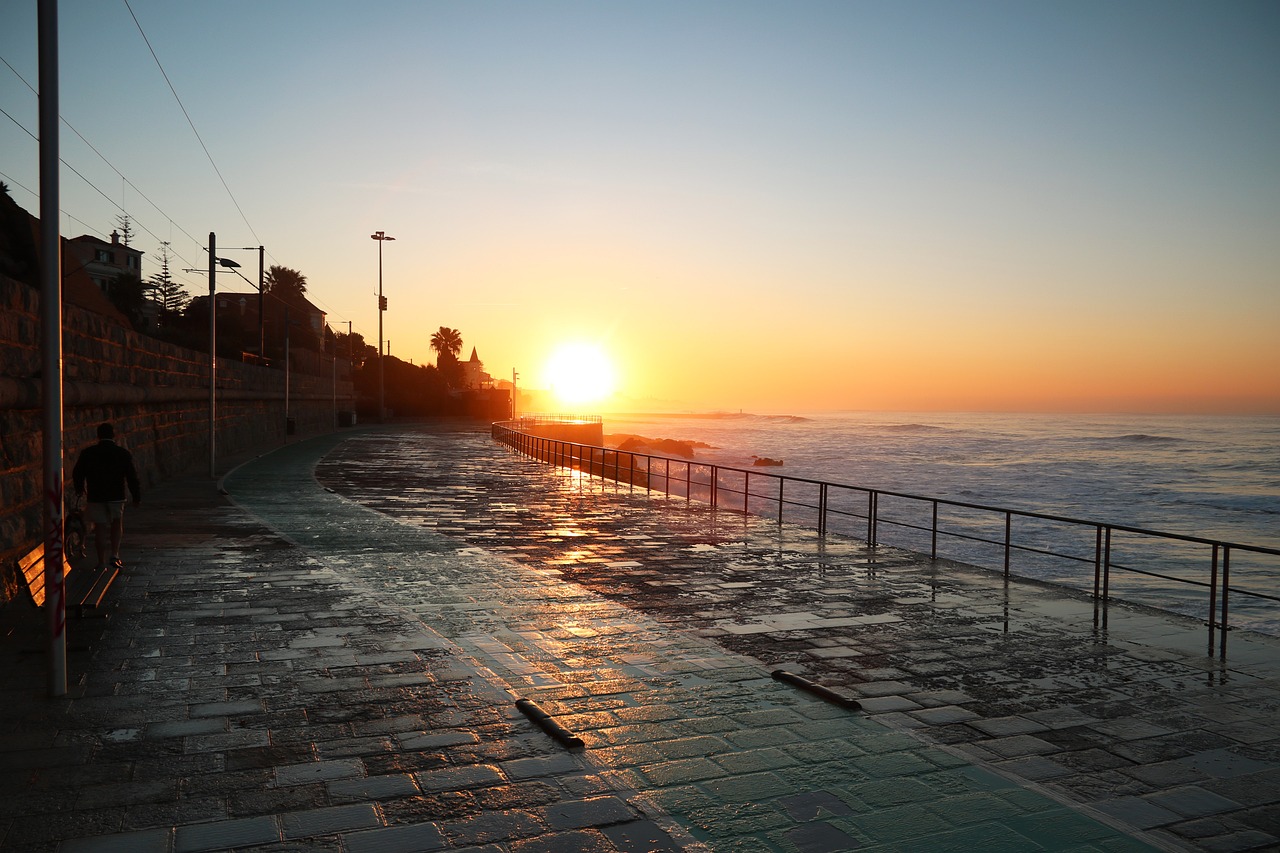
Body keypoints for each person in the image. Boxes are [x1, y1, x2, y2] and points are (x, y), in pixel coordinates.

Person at [72, 422, 142, 571]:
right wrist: (136, 496)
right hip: (116, 495)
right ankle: (115, 555)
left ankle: (101, 561)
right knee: (116, 524)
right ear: (113, 435)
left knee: (100, 528)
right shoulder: (122, 453)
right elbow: (131, 476)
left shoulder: (88, 453)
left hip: (96, 495)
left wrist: (80, 488)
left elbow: (77, 473)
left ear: (98, 436)